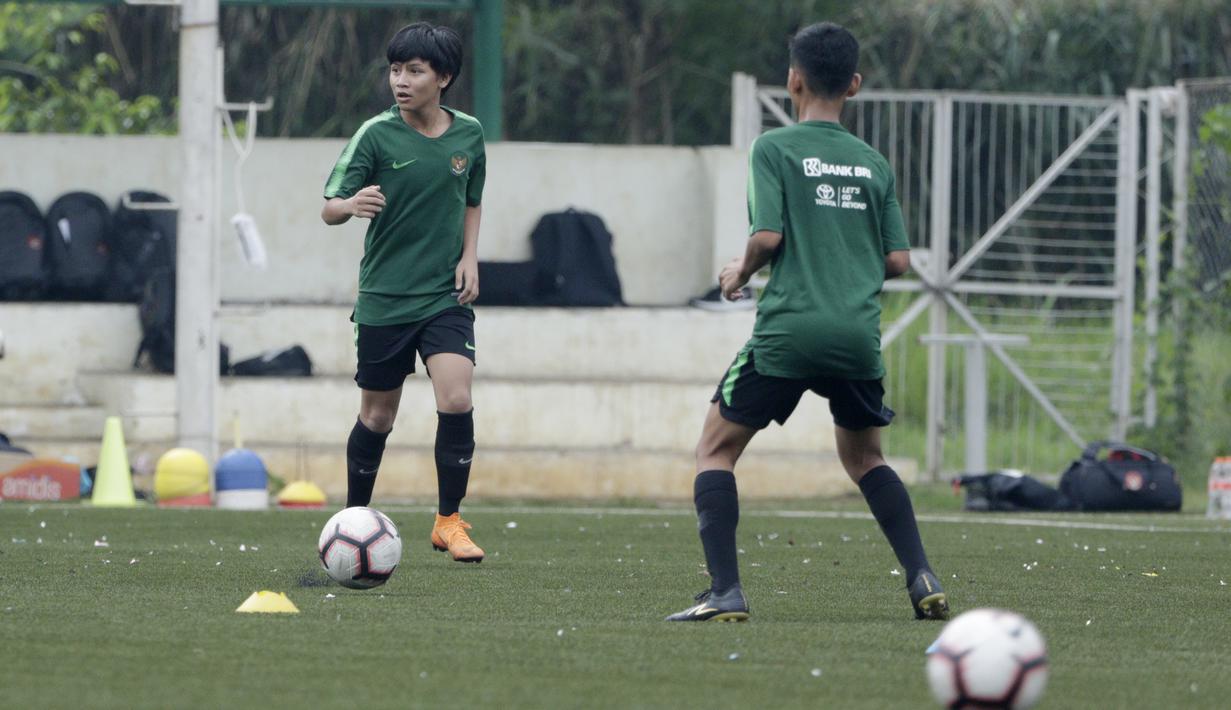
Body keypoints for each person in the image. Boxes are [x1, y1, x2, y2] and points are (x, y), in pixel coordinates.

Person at [666, 22, 947, 621]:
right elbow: (898, 259)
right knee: (867, 460)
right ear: (855, 84)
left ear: (793, 79)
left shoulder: (775, 148)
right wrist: (846, 265)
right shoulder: (873, 162)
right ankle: (921, 574)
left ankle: (725, 592)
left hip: (790, 332)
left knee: (714, 450)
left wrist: (738, 274)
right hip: (855, 336)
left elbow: (767, 236)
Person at [321, 22, 486, 563]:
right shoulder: (375, 134)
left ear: (443, 77)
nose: (401, 80)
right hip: (385, 299)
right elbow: (329, 207)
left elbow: (471, 199)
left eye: (414, 70)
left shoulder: (469, 135)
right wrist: (351, 206)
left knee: (456, 396)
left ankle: (448, 521)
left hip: (443, 295)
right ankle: (352, 523)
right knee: (377, 417)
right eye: (395, 69)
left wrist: (469, 257)